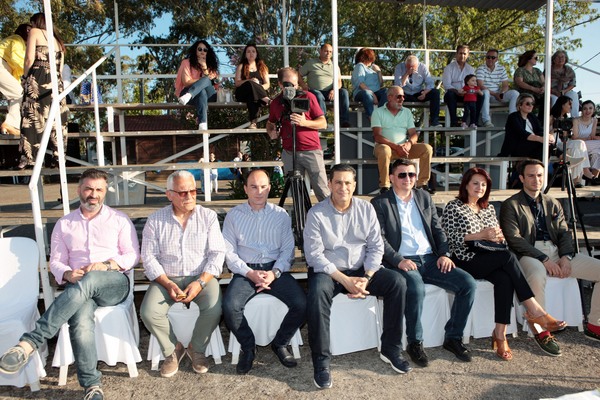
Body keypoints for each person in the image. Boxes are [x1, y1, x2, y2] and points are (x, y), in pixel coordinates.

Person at [0, 169, 140, 400]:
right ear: (79, 190)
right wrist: (67, 274)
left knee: (91, 278)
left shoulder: (119, 220)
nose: (93, 194)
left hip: (113, 283)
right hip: (79, 288)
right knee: (81, 323)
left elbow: (132, 256)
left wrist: (106, 265)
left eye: (99, 190)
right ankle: (92, 386)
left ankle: (31, 341)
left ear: (105, 192)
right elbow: (56, 261)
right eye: (88, 189)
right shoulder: (64, 224)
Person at [304, 164, 411, 389]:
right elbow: (314, 256)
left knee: (397, 282)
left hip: (362, 270)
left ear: (354, 185)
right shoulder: (316, 213)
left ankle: (390, 348)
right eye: (338, 182)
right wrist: (345, 280)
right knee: (316, 293)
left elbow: (376, 247)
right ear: (330, 184)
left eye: (347, 183)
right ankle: (321, 361)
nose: (343, 187)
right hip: (330, 271)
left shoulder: (366, 209)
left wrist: (367, 277)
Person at [441, 167, 566, 358]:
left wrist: (497, 238)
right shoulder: (454, 206)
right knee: (508, 257)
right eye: (475, 183)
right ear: (465, 185)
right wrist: (480, 235)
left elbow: (502, 239)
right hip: (464, 258)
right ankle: (535, 309)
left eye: (484, 184)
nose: (480, 187)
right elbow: (449, 238)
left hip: (489, 256)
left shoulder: (488, 208)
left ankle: (500, 334)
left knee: (505, 278)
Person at [371, 159, 476, 366]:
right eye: (402, 175)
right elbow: (379, 239)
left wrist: (444, 254)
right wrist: (399, 260)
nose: (407, 179)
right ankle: (415, 342)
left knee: (468, 284)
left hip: (430, 259)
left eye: (411, 174)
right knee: (416, 288)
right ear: (391, 178)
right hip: (403, 260)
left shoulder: (424, 197)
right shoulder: (380, 203)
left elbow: (437, 229)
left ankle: (453, 338)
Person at [500, 159, 600, 344]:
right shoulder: (511, 204)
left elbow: (564, 233)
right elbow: (514, 239)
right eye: (531, 176)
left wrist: (566, 257)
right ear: (522, 178)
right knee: (537, 275)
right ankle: (541, 330)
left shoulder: (552, 202)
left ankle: (595, 325)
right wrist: (544, 259)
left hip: (555, 251)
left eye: (539, 175)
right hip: (528, 253)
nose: (536, 180)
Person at [140, 170, 225, 378]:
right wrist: (168, 284)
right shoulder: (155, 220)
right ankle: (173, 349)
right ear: (169, 194)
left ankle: (197, 348)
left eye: (193, 191)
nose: (189, 196)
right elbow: (148, 258)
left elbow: (217, 253)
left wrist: (200, 282)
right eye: (182, 192)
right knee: (148, 312)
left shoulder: (208, 216)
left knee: (215, 308)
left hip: (201, 276)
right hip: (166, 278)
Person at [222, 169, 306, 374]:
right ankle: (248, 347)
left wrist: (274, 273)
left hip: (274, 268)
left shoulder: (281, 215)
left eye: (263, 187)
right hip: (245, 270)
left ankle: (280, 343)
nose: (258, 191)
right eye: (253, 187)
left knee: (302, 304)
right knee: (230, 306)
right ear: (245, 189)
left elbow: (288, 250)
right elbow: (229, 252)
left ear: (269, 188)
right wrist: (249, 273)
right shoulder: (234, 216)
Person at [266, 67, 330, 201]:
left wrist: (304, 122)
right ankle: (301, 215)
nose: (292, 88)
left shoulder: (308, 97)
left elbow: (323, 123)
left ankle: (329, 214)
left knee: (322, 190)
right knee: (296, 194)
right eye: (288, 84)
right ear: (280, 84)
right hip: (289, 152)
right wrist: (272, 132)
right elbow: (270, 123)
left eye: (295, 85)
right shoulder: (276, 103)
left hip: (311, 150)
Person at [18, 12, 69, 169]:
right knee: (56, 118)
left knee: (32, 115)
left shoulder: (35, 32)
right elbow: (60, 68)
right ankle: (58, 156)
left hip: (38, 77)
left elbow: (29, 59)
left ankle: (30, 157)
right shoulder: (58, 40)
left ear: (36, 22)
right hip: (56, 81)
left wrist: (25, 78)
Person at [371, 86, 433, 194]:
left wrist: (409, 144)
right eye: (399, 97)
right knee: (384, 150)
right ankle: (385, 186)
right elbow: (377, 136)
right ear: (389, 97)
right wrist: (396, 147)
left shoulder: (407, 112)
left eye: (403, 97)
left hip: (404, 148)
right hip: (385, 147)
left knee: (427, 148)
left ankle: (422, 184)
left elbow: (413, 134)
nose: (402, 99)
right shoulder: (378, 112)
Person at [299, 43, 351, 127]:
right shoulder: (311, 63)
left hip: (330, 92)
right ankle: (323, 121)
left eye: (330, 52)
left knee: (344, 92)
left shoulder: (334, 65)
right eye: (326, 51)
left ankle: (344, 121)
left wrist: (334, 90)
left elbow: (339, 81)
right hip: (315, 91)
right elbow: (298, 74)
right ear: (320, 51)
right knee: (318, 95)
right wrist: (303, 85)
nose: (328, 53)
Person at [550, 96, 596, 186]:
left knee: (577, 148)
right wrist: (555, 129)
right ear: (563, 105)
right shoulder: (551, 117)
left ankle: (576, 180)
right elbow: (545, 133)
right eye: (569, 104)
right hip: (555, 142)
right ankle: (583, 173)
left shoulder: (566, 118)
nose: (571, 106)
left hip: (564, 142)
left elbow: (567, 136)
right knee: (579, 144)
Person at [175, 40, 219, 131]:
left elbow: (213, 83)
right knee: (201, 91)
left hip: (209, 95)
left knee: (206, 80)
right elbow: (186, 82)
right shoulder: (186, 62)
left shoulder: (211, 65)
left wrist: (204, 67)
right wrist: (202, 82)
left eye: (205, 50)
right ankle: (203, 124)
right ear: (195, 50)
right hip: (191, 93)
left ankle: (189, 95)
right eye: (200, 49)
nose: (202, 52)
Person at [499, 93, 555, 160]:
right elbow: (522, 134)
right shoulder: (513, 117)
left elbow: (539, 131)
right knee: (543, 145)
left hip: (532, 146)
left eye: (532, 104)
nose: (531, 106)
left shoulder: (532, 117)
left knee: (548, 144)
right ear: (520, 105)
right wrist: (540, 139)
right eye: (528, 104)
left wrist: (548, 136)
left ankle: (558, 156)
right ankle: (540, 165)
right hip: (517, 147)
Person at [393, 55, 442, 128]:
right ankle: (394, 122)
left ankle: (434, 121)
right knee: (392, 93)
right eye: (408, 67)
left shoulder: (423, 67)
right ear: (405, 64)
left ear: (417, 65)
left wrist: (425, 93)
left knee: (435, 92)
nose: (411, 69)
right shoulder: (399, 67)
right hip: (404, 93)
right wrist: (407, 74)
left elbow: (430, 83)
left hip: (418, 93)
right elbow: (398, 85)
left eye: (413, 67)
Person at [475, 49, 519, 127]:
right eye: (488, 57)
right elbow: (480, 85)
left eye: (493, 57)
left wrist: (501, 93)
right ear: (485, 58)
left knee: (515, 93)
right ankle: (486, 120)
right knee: (485, 92)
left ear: (497, 59)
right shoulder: (481, 68)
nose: (490, 59)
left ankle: (512, 119)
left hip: (497, 95)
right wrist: (495, 94)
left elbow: (505, 85)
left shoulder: (501, 68)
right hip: (485, 95)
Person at [0, 23, 30, 136]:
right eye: (28, 30)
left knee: (16, 93)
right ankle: (10, 124)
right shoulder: (17, 39)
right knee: (18, 93)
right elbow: (17, 58)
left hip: (3, 66)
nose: (31, 33)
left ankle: (9, 126)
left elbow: (16, 72)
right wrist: (31, 71)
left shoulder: (18, 42)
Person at [442, 45, 481, 127]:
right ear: (456, 54)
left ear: (468, 55)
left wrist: (469, 91)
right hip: (454, 94)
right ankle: (454, 122)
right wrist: (457, 92)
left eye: (464, 53)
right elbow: (447, 85)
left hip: (467, 93)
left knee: (481, 96)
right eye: (460, 53)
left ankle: (474, 122)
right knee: (450, 94)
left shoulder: (470, 69)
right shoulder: (449, 68)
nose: (462, 56)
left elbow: (474, 83)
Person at [234, 43, 271, 129]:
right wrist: (249, 81)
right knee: (250, 84)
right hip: (242, 93)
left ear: (256, 54)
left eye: (253, 51)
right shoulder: (241, 66)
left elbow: (267, 84)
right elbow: (237, 83)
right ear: (245, 54)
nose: (251, 53)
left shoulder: (262, 67)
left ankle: (253, 123)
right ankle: (266, 99)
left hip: (255, 95)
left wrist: (257, 87)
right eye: (248, 52)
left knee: (253, 95)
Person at [351, 47, 386, 119]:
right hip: (362, 93)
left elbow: (381, 84)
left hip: (375, 92)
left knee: (387, 91)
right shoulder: (360, 66)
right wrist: (373, 95)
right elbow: (361, 84)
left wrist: (378, 72)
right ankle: (372, 118)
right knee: (367, 94)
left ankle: (381, 115)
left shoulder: (371, 69)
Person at [572, 100, 600, 180]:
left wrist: (595, 138)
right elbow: (575, 137)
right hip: (578, 144)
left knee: (597, 153)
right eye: (585, 109)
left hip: (589, 145)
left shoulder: (594, 120)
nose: (588, 111)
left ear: (594, 110)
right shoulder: (576, 120)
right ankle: (589, 176)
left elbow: (592, 136)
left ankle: (594, 178)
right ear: (582, 110)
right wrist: (588, 138)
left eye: (590, 108)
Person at [514, 50, 545, 117]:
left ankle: (541, 119)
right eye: (535, 58)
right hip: (526, 93)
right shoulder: (520, 70)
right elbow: (519, 82)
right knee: (530, 99)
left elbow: (544, 82)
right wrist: (533, 88)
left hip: (538, 93)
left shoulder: (537, 71)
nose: (537, 60)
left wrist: (543, 87)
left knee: (546, 99)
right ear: (529, 59)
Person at [549, 50, 579, 117]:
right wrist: (554, 91)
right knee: (554, 99)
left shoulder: (569, 70)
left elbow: (573, 83)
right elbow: (543, 82)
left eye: (562, 57)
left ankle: (575, 118)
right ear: (554, 59)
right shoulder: (549, 69)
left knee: (574, 95)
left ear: (565, 59)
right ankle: (555, 118)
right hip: (552, 92)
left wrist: (564, 91)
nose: (560, 59)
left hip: (565, 91)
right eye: (558, 57)